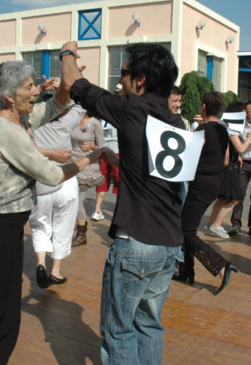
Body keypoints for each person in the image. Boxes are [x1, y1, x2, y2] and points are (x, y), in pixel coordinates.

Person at [0, 61, 104, 364]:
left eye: (35, 85)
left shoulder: (18, 119)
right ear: (9, 96)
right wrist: (94, 156)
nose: (36, 91)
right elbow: (52, 175)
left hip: (7, 227)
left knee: (5, 315)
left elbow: (53, 106)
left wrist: (67, 82)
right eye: (29, 87)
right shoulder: (6, 130)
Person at [61, 41, 184, 364]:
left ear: (140, 79)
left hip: (136, 244)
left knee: (119, 331)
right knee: (149, 325)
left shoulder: (133, 110)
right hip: (169, 244)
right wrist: (110, 157)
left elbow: (76, 85)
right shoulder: (176, 124)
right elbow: (151, 173)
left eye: (124, 73)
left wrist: (66, 52)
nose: (121, 80)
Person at [174, 92, 239, 293]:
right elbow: (226, 160)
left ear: (203, 107)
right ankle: (187, 272)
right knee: (186, 227)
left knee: (186, 231)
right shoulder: (222, 130)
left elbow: (189, 157)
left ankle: (221, 265)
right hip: (215, 182)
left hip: (201, 184)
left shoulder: (201, 130)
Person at [30, 99, 85, 287]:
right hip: (66, 181)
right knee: (63, 227)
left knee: (40, 226)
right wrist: (65, 94)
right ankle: (56, 270)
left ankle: (40, 263)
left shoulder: (31, 126)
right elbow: (80, 106)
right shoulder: (65, 123)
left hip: (41, 183)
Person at [208, 101, 251, 238]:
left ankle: (210, 224)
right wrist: (249, 138)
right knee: (236, 198)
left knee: (222, 198)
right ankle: (216, 225)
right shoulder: (233, 129)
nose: (245, 116)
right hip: (231, 168)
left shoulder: (224, 125)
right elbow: (241, 149)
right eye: (243, 112)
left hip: (229, 165)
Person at [71, 112, 104, 246]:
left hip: (87, 166)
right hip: (71, 165)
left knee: (77, 200)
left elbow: (103, 149)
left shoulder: (94, 123)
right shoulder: (73, 119)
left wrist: (92, 147)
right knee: (70, 200)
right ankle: (78, 230)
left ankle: (81, 234)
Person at [91, 84, 122, 221]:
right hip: (116, 151)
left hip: (104, 150)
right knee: (119, 182)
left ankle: (97, 210)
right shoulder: (122, 109)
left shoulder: (105, 109)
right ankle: (119, 212)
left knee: (103, 180)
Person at [230, 100, 251, 237]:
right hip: (244, 163)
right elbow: (235, 141)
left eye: (248, 112)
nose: (246, 115)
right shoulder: (241, 125)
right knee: (239, 194)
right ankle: (236, 224)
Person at [168, 86, 190, 208]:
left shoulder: (180, 121)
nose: (178, 104)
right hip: (161, 171)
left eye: (180, 101)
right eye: (174, 101)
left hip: (177, 170)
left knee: (181, 198)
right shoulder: (157, 118)